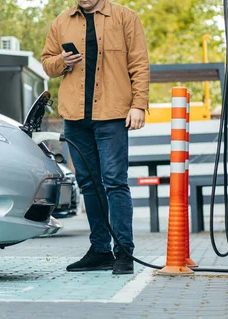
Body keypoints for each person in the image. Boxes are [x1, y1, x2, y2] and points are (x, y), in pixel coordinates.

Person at [41, 0, 149, 275]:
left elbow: (139, 63)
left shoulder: (126, 17)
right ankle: (100, 250)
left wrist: (138, 104)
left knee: (114, 182)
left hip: (112, 114)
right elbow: (47, 64)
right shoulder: (61, 22)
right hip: (75, 118)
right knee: (88, 184)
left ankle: (124, 252)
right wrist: (61, 62)